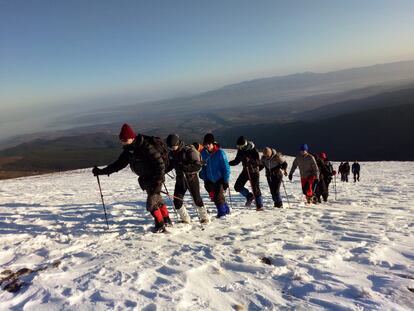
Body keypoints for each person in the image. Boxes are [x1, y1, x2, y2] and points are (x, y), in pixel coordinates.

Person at [92, 123, 171, 233]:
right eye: (121, 139)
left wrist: (158, 180)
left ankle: (160, 226)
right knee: (157, 199)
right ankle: (167, 220)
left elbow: (160, 164)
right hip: (146, 178)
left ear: (131, 138)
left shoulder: (146, 147)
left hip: (155, 178)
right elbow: (118, 164)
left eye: (124, 139)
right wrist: (101, 172)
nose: (122, 142)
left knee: (151, 204)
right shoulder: (129, 150)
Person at [166, 134, 209, 224]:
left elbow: (198, 166)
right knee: (177, 201)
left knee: (196, 199)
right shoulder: (172, 154)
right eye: (170, 147)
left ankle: (204, 217)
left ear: (178, 143)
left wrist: (186, 167)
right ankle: (185, 219)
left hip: (191, 179)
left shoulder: (189, 151)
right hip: (180, 180)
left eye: (173, 146)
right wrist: (162, 172)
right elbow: (170, 165)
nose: (172, 149)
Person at [199, 133, 231, 218]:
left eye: (209, 144)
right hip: (210, 179)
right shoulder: (203, 153)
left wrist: (225, 180)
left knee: (217, 197)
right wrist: (205, 178)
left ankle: (222, 214)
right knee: (217, 196)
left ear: (213, 143)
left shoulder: (220, 153)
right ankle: (226, 209)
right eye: (205, 144)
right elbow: (204, 167)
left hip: (220, 178)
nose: (207, 146)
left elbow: (226, 168)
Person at [229, 136, 263, 211]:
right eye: (238, 146)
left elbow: (258, 162)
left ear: (245, 144)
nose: (239, 147)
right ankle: (249, 196)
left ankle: (259, 205)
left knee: (255, 188)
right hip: (245, 170)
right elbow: (237, 161)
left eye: (240, 146)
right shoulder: (240, 150)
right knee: (237, 186)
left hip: (254, 171)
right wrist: (228, 163)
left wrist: (250, 160)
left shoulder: (253, 150)